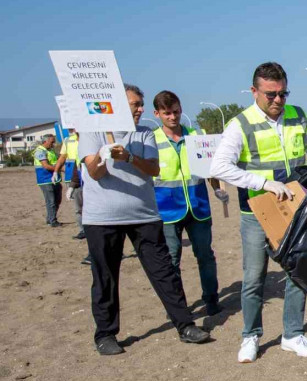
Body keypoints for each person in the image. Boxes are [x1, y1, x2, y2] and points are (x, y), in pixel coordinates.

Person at [211, 62, 307, 363]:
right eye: (270, 94)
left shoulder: (297, 116)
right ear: (254, 91)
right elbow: (220, 167)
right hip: (257, 213)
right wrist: (264, 183)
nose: (278, 100)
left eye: (283, 93)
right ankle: (250, 336)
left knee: (297, 272)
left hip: (293, 209)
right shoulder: (240, 124)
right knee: (254, 278)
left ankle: (292, 334)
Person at [78, 83, 211, 355]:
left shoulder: (145, 134)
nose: (140, 109)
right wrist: (104, 155)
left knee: (164, 272)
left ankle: (185, 325)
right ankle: (105, 334)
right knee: (105, 277)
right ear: (116, 105)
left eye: (140, 104)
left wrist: (128, 157)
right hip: (102, 219)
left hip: (144, 215)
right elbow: (94, 173)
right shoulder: (92, 132)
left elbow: (152, 168)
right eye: (135, 104)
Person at [151, 90, 225, 316]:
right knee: (171, 260)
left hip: (199, 206)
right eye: (167, 113)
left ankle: (211, 298)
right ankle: (177, 305)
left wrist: (217, 188)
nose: (172, 117)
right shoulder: (152, 140)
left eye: (175, 112)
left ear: (181, 110)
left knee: (205, 255)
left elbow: (209, 168)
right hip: (167, 210)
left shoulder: (196, 136)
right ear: (157, 114)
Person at [54, 128, 86, 239]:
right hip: (74, 177)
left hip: (87, 176)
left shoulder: (89, 137)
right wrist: (55, 171)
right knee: (78, 207)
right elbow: (62, 157)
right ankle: (83, 230)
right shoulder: (68, 140)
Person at [33, 134, 62, 227]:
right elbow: (45, 165)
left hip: (55, 179)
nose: (53, 144)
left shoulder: (50, 151)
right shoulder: (39, 151)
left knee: (57, 200)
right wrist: (61, 169)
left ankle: (50, 218)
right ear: (46, 141)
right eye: (52, 142)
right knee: (51, 201)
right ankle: (52, 220)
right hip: (45, 179)